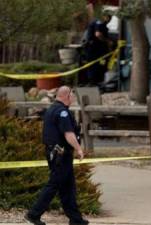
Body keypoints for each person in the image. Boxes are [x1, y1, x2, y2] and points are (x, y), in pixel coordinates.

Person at [25, 86, 88, 225]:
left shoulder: (53, 109)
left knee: (68, 186)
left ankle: (75, 219)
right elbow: (69, 134)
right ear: (67, 95)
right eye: (72, 95)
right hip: (60, 154)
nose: (73, 98)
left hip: (58, 153)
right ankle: (33, 214)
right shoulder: (62, 112)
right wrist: (78, 149)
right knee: (54, 184)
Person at [82, 11, 112, 86]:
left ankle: (95, 82)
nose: (109, 20)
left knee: (98, 64)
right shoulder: (99, 22)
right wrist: (107, 41)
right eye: (109, 18)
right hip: (93, 48)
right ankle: (93, 83)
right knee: (94, 66)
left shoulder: (100, 23)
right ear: (105, 16)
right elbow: (98, 34)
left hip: (95, 49)